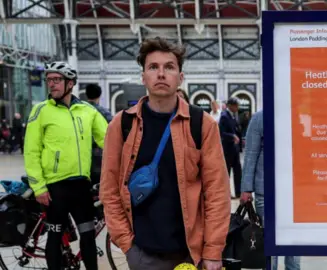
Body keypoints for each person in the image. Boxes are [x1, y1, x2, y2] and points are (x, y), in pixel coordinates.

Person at [99, 37, 230, 270]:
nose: (161, 74)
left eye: (169, 67)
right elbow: (109, 190)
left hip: (192, 254)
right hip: (143, 254)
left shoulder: (202, 124)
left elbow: (217, 192)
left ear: (180, 77)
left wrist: (212, 251)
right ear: (143, 77)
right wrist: (127, 245)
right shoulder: (122, 125)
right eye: (153, 67)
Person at [23, 61, 108, 270]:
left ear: (70, 83)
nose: (51, 84)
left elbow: (108, 140)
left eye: (56, 80)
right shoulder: (40, 110)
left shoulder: (87, 111)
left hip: (81, 186)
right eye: (49, 80)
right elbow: (31, 151)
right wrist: (39, 187)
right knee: (55, 236)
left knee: (88, 237)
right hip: (54, 188)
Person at [240, 110, 301, 270]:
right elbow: (251, 154)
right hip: (265, 190)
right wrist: (246, 189)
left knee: (292, 239)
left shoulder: (296, 115)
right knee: (269, 239)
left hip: (293, 190)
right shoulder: (260, 118)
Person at [219, 97, 242, 199]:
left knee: (238, 171)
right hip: (227, 149)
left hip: (235, 149)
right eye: (236, 105)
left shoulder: (234, 116)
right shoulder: (224, 116)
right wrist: (232, 136)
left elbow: (237, 129)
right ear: (230, 106)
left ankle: (238, 192)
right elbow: (221, 132)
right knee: (227, 172)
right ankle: (226, 193)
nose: (238, 107)